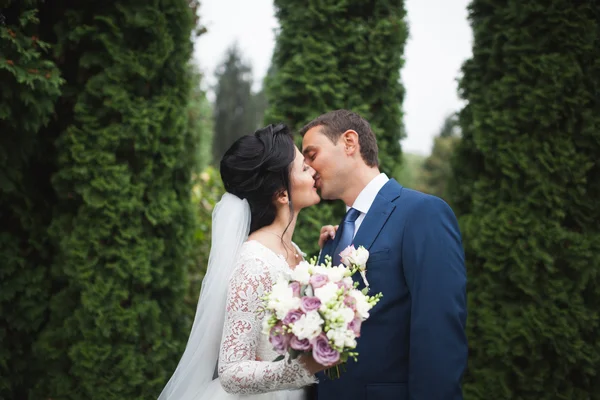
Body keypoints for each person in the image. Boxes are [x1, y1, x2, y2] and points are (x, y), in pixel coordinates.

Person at [158, 124, 334, 400]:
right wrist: (304, 369)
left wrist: (329, 254)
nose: (313, 170)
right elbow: (231, 371)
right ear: (281, 194)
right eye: (303, 168)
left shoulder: (292, 249)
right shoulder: (254, 262)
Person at [301, 109, 468, 400]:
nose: (307, 168)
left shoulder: (422, 213)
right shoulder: (333, 239)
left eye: (311, 154)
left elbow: (438, 334)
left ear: (349, 143)